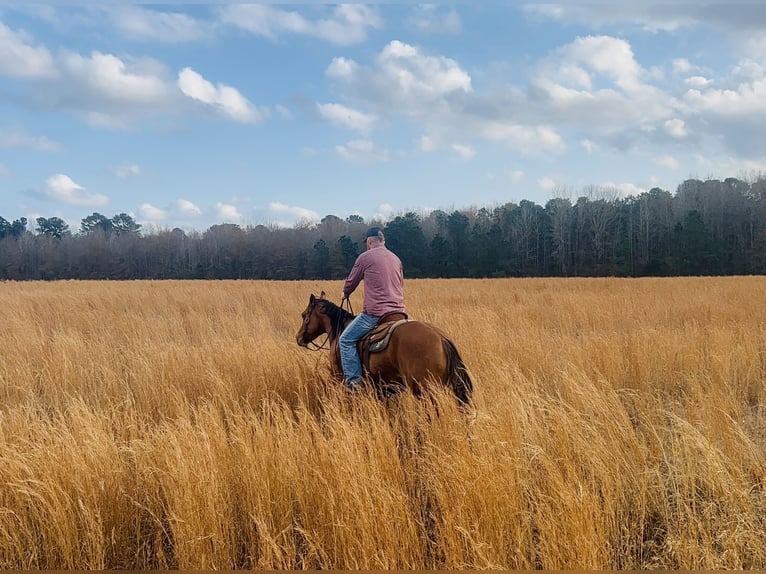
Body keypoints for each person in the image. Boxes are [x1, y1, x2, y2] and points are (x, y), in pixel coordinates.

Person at [339, 226, 405, 389]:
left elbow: (351, 281)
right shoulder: (396, 258)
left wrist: (345, 293)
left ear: (369, 242)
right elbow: (401, 283)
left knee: (345, 340)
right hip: (399, 312)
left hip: (375, 313)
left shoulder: (365, 257)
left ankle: (354, 383)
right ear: (383, 241)